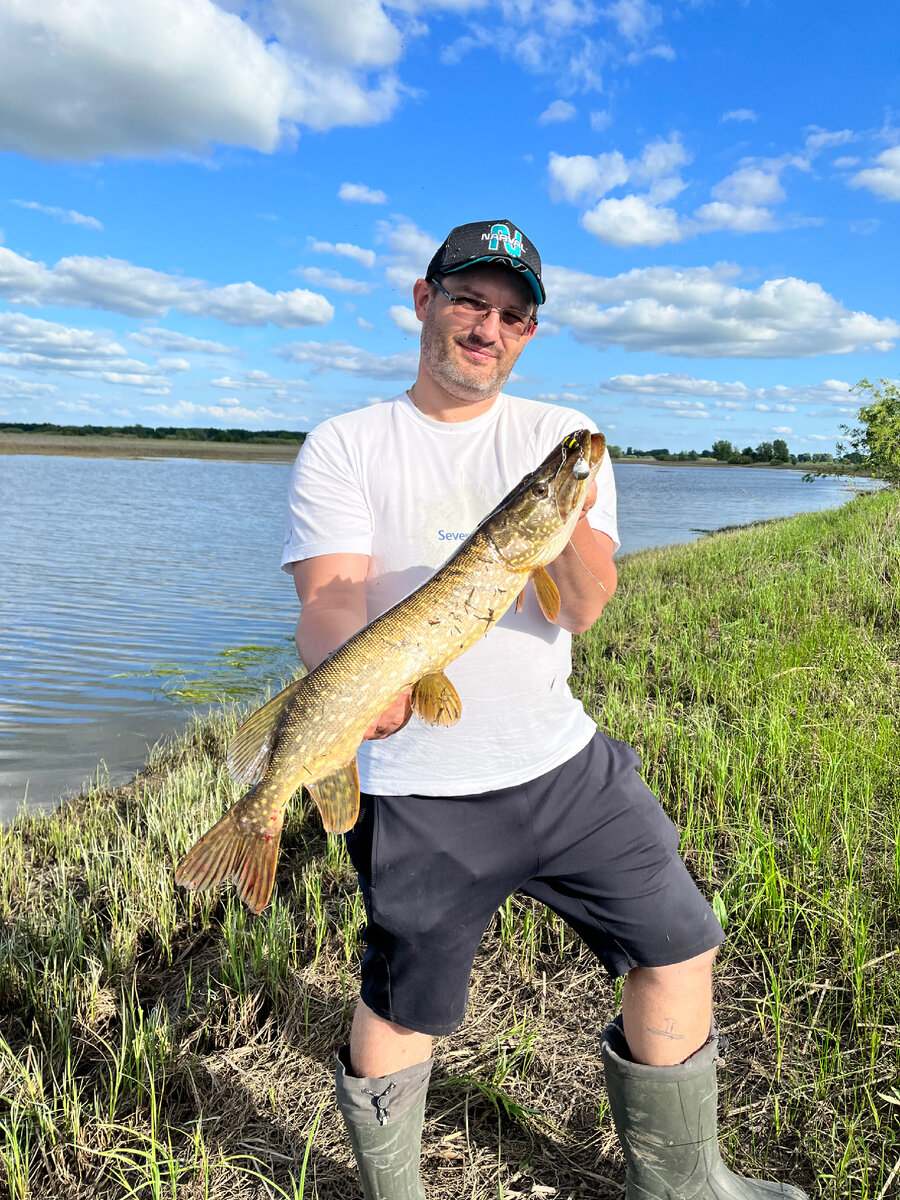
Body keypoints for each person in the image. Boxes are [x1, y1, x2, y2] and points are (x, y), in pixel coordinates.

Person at [281, 220, 807, 1199]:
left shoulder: (559, 438)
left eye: (513, 315)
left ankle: (684, 1187)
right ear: (423, 300)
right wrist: (357, 677)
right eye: (470, 301)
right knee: (404, 1006)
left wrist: (557, 512)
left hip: (567, 769)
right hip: (420, 794)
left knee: (680, 942)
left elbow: (589, 601)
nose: (488, 326)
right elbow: (330, 598)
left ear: (528, 335)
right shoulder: (347, 444)